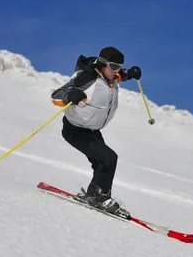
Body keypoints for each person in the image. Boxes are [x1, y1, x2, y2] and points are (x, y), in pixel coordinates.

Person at [51, 46, 141, 219]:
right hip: (75, 130)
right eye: (114, 66)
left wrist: (132, 73)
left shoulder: (112, 77)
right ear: (103, 64)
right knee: (109, 158)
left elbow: (123, 74)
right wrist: (70, 97)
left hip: (92, 130)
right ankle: (101, 197)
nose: (117, 71)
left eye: (119, 66)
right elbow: (56, 95)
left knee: (104, 163)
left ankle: (94, 194)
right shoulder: (87, 78)